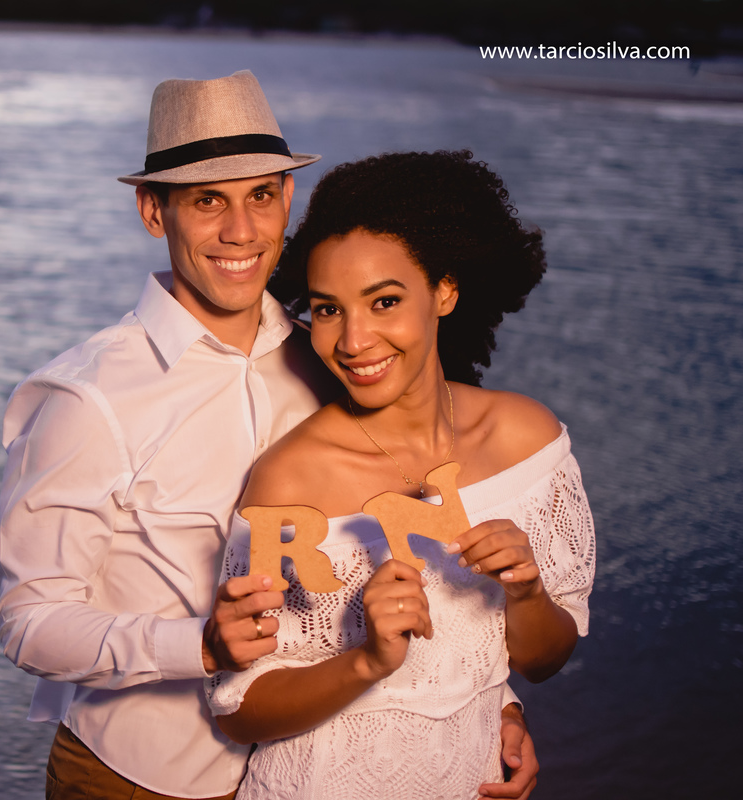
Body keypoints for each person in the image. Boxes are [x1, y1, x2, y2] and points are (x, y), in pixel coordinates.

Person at [0, 71, 540, 800]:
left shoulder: (338, 355)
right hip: (138, 781)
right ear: (153, 211)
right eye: (207, 200)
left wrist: (496, 706)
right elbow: (28, 622)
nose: (241, 231)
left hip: (307, 770)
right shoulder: (88, 398)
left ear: (288, 200)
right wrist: (197, 645)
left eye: (260, 195)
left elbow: (416, 557)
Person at [207, 150, 596, 800]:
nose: (354, 340)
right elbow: (239, 706)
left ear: (444, 291)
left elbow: (543, 660)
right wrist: (366, 660)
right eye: (328, 309)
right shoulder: (289, 480)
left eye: (383, 301)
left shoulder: (530, 442)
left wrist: (527, 594)